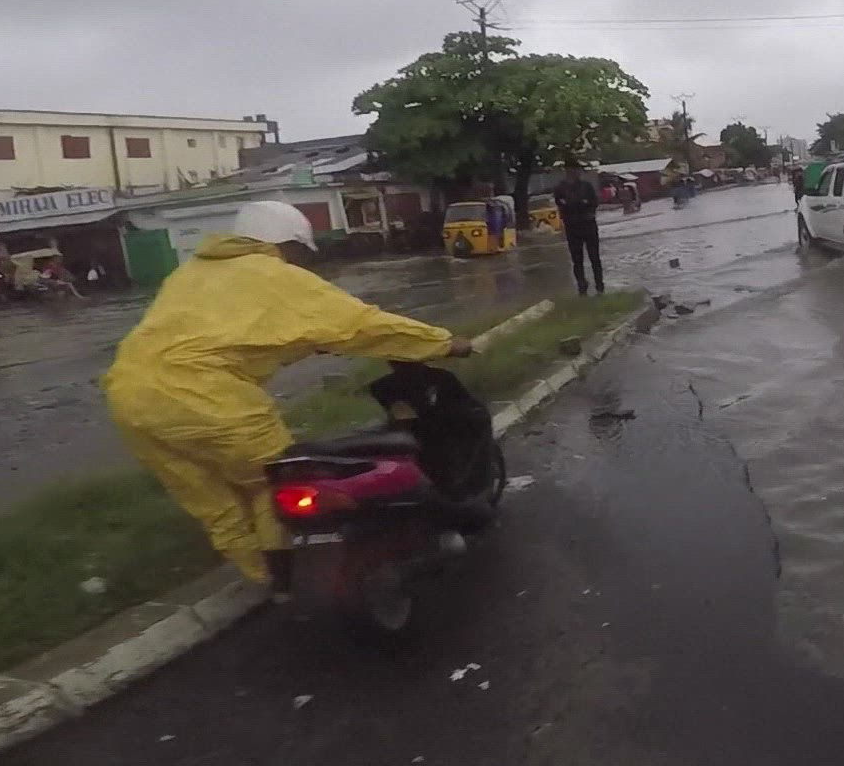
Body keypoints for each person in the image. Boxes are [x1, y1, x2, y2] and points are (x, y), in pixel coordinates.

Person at [102, 202, 472, 588]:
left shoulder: (189, 273)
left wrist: (308, 343)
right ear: (284, 244)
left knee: (215, 506)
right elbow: (362, 324)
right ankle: (288, 577)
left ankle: (264, 579)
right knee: (272, 482)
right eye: (298, 252)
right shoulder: (276, 275)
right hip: (204, 394)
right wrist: (444, 343)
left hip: (129, 398)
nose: (299, 261)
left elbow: (229, 331)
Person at [553, 162, 604, 295]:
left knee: (594, 257)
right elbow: (560, 203)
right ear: (567, 171)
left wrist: (581, 205)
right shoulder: (561, 188)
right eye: (571, 170)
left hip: (588, 224)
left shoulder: (586, 186)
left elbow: (594, 202)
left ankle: (599, 285)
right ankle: (582, 286)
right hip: (572, 226)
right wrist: (576, 204)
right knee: (577, 259)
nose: (575, 173)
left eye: (576, 170)